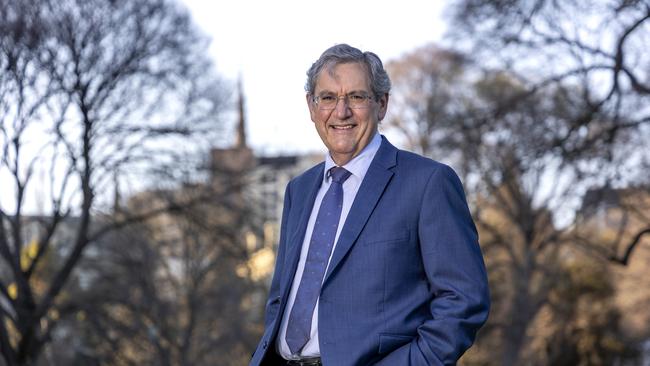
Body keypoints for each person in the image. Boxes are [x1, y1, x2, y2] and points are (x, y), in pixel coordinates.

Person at [250, 44, 489, 366]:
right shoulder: (299, 190)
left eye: (357, 97)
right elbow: (282, 298)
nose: (341, 111)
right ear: (311, 105)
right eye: (328, 97)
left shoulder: (427, 183)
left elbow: (464, 300)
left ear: (382, 104)